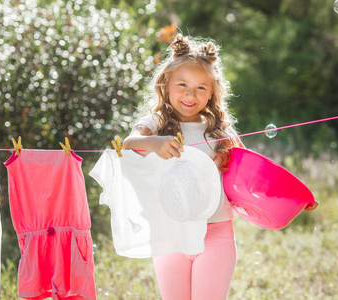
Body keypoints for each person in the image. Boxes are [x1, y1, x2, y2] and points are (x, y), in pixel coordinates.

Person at [123, 34, 317, 300]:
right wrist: (154, 143)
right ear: (166, 85)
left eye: (201, 87)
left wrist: (293, 199)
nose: (191, 94)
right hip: (171, 235)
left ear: (212, 91)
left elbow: (254, 174)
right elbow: (128, 144)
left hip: (216, 234)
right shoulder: (155, 123)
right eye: (182, 85)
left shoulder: (219, 130)